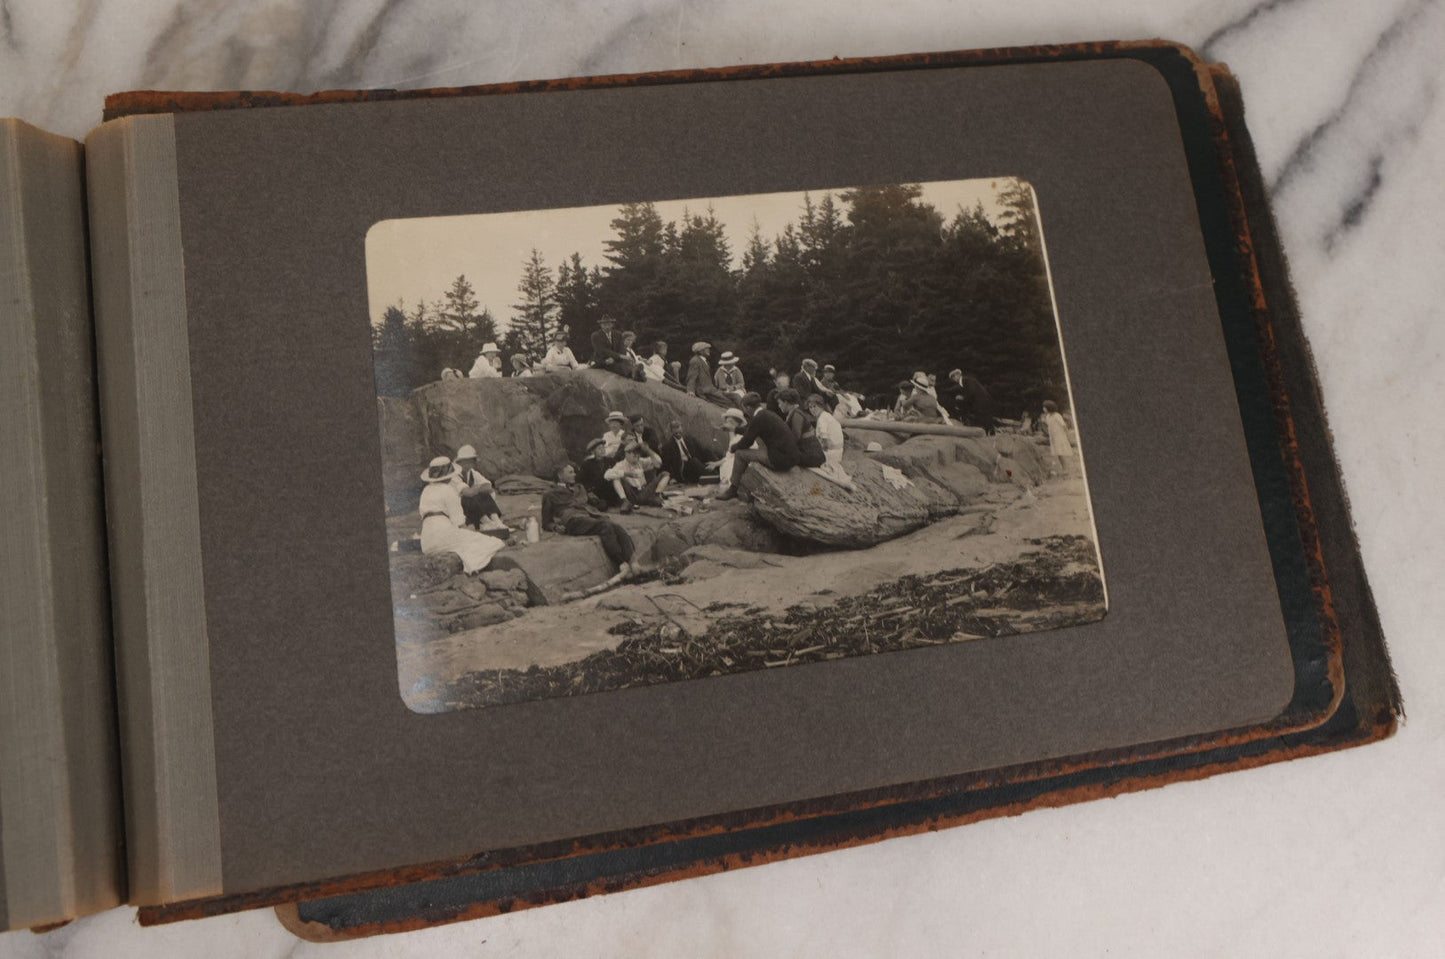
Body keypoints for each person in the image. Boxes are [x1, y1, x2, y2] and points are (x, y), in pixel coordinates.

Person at [541, 464, 636, 577]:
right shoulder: (550, 494)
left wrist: (595, 500)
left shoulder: (579, 487)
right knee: (604, 525)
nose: (574, 474)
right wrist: (555, 527)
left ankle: (634, 562)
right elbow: (546, 522)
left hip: (590, 515)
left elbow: (594, 502)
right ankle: (621, 563)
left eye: (574, 472)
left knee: (616, 527)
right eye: (570, 472)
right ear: (560, 476)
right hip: (573, 520)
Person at [417, 456, 507, 573]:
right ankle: (474, 568)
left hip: (427, 541)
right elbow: (459, 522)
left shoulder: (426, 490)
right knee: (491, 542)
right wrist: (469, 533)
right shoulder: (448, 490)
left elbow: (423, 515)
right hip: (443, 536)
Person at [716, 392, 802, 500]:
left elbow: (746, 442)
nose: (746, 412)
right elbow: (751, 431)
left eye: (745, 409)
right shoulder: (766, 414)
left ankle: (733, 489)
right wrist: (733, 429)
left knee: (739, 454)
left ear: (748, 407)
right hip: (790, 457)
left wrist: (733, 448)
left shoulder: (759, 418)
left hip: (779, 459)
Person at [450, 444, 508, 535]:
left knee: (483, 493)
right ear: (463, 462)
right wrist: (475, 489)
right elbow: (467, 493)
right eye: (471, 461)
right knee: (468, 497)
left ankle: (495, 520)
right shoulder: (453, 476)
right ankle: (486, 522)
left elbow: (488, 486)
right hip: (459, 510)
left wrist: (476, 489)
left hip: (473, 509)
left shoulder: (471, 472)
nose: (473, 463)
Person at [805, 392, 854, 489]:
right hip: (838, 451)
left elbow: (825, 439)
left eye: (815, 407)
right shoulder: (827, 415)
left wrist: (821, 451)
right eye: (810, 407)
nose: (812, 410)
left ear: (821, 406)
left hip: (831, 452)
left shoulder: (822, 419)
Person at [604, 442, 670, 513]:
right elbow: (607, 475)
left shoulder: (641, 462)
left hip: (644, 491)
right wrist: (626, 474)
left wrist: (648, 451)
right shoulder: (620, 465)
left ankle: (656, 496)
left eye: (638, 453)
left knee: (665, 474)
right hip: (631, 493)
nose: (637, 455)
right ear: (627, 454)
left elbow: (658, 463)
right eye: (634, 454)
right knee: (616, 478)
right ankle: (625, 502)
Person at [778, 388, 827, 468]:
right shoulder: (795, 412)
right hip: (811, 453)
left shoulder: (797, 415)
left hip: (812, 456)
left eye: (779, 403)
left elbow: (795, 437)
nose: (779, 406)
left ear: (786, 402)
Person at [944, 368, 997, 434]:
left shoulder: (967, 380)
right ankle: (988, 432)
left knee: (983, 417)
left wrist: (962, 398)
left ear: (958, 375)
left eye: (954, 376)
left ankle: (988, 433)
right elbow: (956, 389)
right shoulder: (963, 382)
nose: (953, 379)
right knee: (984, 418)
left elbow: (971, 392)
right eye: (952, 378)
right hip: (982, 401)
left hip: (982, 401)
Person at [708, 408, 747, 494]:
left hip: (743, 461)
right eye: (728, 422)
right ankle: (726, 482)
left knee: (730, 463)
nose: (729, 425)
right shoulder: (732, 435)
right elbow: (728, 455)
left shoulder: (742, 437)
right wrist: (715, 464)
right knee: (726, 463)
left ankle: (731, 485)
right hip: (733, 459)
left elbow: (733, 456)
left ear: (739, 424)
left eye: (732, 422)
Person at [590, 315, 642, 380]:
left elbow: (622, 349)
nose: (607, 327)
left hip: (616, 359)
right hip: (603, 360)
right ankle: (633, 373)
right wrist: (619, 356)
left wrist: (615, 358)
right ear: (601, 325)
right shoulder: (595, 336)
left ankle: (636, 371)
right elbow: (602, 351)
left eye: (609, 324)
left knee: (624, 363)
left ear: (612, 325)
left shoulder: (618, 334)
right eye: (604, 325)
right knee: (617, 366)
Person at [659, 419, 707, 484]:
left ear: (682, 428)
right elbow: (667, 465)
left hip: (695, 466)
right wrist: (672, 478)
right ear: (671, 431)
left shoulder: (690, 439)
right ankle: (709, 476)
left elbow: (702, 450)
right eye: (674, 428)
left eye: (678, 427)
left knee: (710, 454)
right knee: (694, 461)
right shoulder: (668, 446)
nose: (676, 430)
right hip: (682, 470)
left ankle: (714, 472)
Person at [578, 438, 621, 507]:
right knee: (601, 506)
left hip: (611, 491)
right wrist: (589, 491)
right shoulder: (587, 464)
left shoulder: (610, 461)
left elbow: (618, 473)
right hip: (596, 492)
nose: (602, 450)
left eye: (603, 448)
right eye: (599, 448)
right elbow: (581, 480)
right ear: (593, 452)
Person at [1042, 400, 1073, 476]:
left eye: (1044, 407)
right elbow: (1049, 426)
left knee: (1060, 453)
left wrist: (1067, 435)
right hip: (1053, 437)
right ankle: (1062, 469)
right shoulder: (1048, 416)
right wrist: (1043, 422)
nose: (1043, 409)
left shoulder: (1057, 415)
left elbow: (1064, 426)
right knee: (1057, 453)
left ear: (1049, 408)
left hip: (1059, 436)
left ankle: (1065, 469)